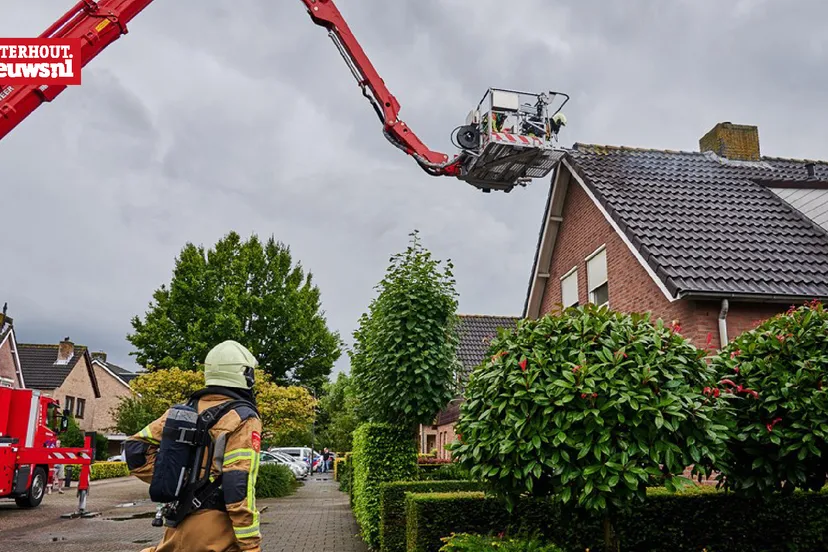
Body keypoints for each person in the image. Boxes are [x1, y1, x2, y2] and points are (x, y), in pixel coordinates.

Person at [124, 340, 263, 552]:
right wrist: (251, 545)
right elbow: (238, 484)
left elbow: (135, 449)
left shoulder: (183, 412)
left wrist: (177, 480)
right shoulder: (243, 418)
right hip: (217, 531)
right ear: (246, 375)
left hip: (179, 524)